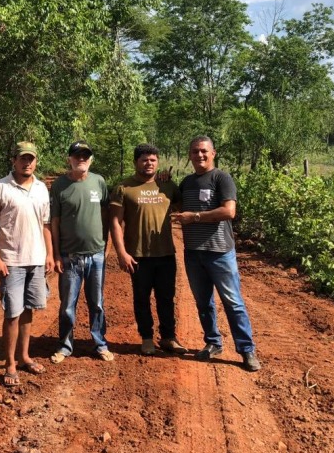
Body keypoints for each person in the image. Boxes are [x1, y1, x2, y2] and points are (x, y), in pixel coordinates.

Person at [171, 136, 262, 372]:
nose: (199, 155)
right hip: (193, 253)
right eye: (194, 152)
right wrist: (164, 181)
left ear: (213, 153)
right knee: (203, 303)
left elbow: (229, 211)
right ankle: (213, 343)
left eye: (203, 151)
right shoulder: (187, 182)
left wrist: (196, 217)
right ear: (189, 155)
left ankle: (247, 350)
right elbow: (180, 207)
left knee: (233, 302)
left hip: (220, 253)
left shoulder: (222, 178)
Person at [0, 141, 54, 387]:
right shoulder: (0, 188)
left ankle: (24, 356)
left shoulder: (42, 189)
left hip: (36, 260)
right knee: (12, 313)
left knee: (28, 310)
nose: (27, 163)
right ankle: (10, 363)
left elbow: (45, 225)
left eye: (31, 159)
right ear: (14, 160)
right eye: (23, 158)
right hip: (11, 261)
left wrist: (49, 254)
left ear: (36, 161)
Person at [109, 143, 188, 355]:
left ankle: (169, 338)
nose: (149, 163)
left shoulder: (168, 186)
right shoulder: (123, 187)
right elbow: (115, 223)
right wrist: (121, 253)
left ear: (158, 162)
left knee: (166, 298)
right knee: (141, 298)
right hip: (138, 256)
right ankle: (146, 338)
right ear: (136, 162)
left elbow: (183, 209)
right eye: (144, 160)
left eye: (153, 160)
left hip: (165, 254)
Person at [49, 140, 113, 364]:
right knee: (67, 304)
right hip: (69, 256)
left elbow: (107, 215)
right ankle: (65, 345)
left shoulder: (99, 182)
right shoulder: (59, 186)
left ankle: (100, 343)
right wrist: (56, 254)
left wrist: (108, 246)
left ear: (91, 159)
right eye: (77, 155)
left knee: (97, 302)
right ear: (70, 159)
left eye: (85, 155)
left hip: (96, 255)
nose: (81, 159)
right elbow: (54, 221)